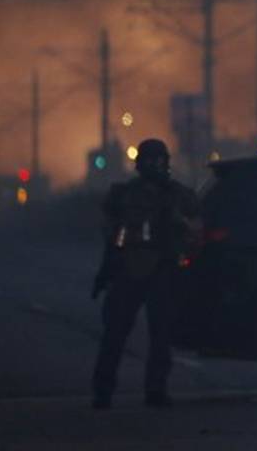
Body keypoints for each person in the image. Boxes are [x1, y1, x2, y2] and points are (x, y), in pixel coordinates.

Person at [91, 139, 200, 409]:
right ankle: (128, 392)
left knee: (145, 336)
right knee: (128, 335)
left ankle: (132, 392)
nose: (155, 166)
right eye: (152, 161)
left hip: (148, 269)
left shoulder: (161, 194)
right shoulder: (131, 194)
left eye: (157, 161)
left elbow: (193, 221)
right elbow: (112, 234)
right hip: (140, 270)